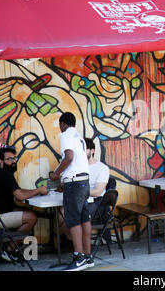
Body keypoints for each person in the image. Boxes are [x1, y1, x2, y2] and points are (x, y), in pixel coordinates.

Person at [0, 146, 48, 261]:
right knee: (31, 217)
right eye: (9, 159)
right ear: (0, 162)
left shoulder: (1, 173)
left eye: (14, 158)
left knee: (29, 213)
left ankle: (12, 249)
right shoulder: (4, 174)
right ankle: (10, 249)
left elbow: (19, 192)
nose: (13, 161)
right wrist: (38, 190)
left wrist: (35, 193)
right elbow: (20, 196)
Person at [50, 112, 92, 271]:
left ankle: (78, 257)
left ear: (62, 124)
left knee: (73, 220)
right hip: (84, 181)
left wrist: (56, 173)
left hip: (74, 183)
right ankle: (88, 257)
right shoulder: (79, 137)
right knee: (84, 219)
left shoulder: (66, 135)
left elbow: (68, 157)